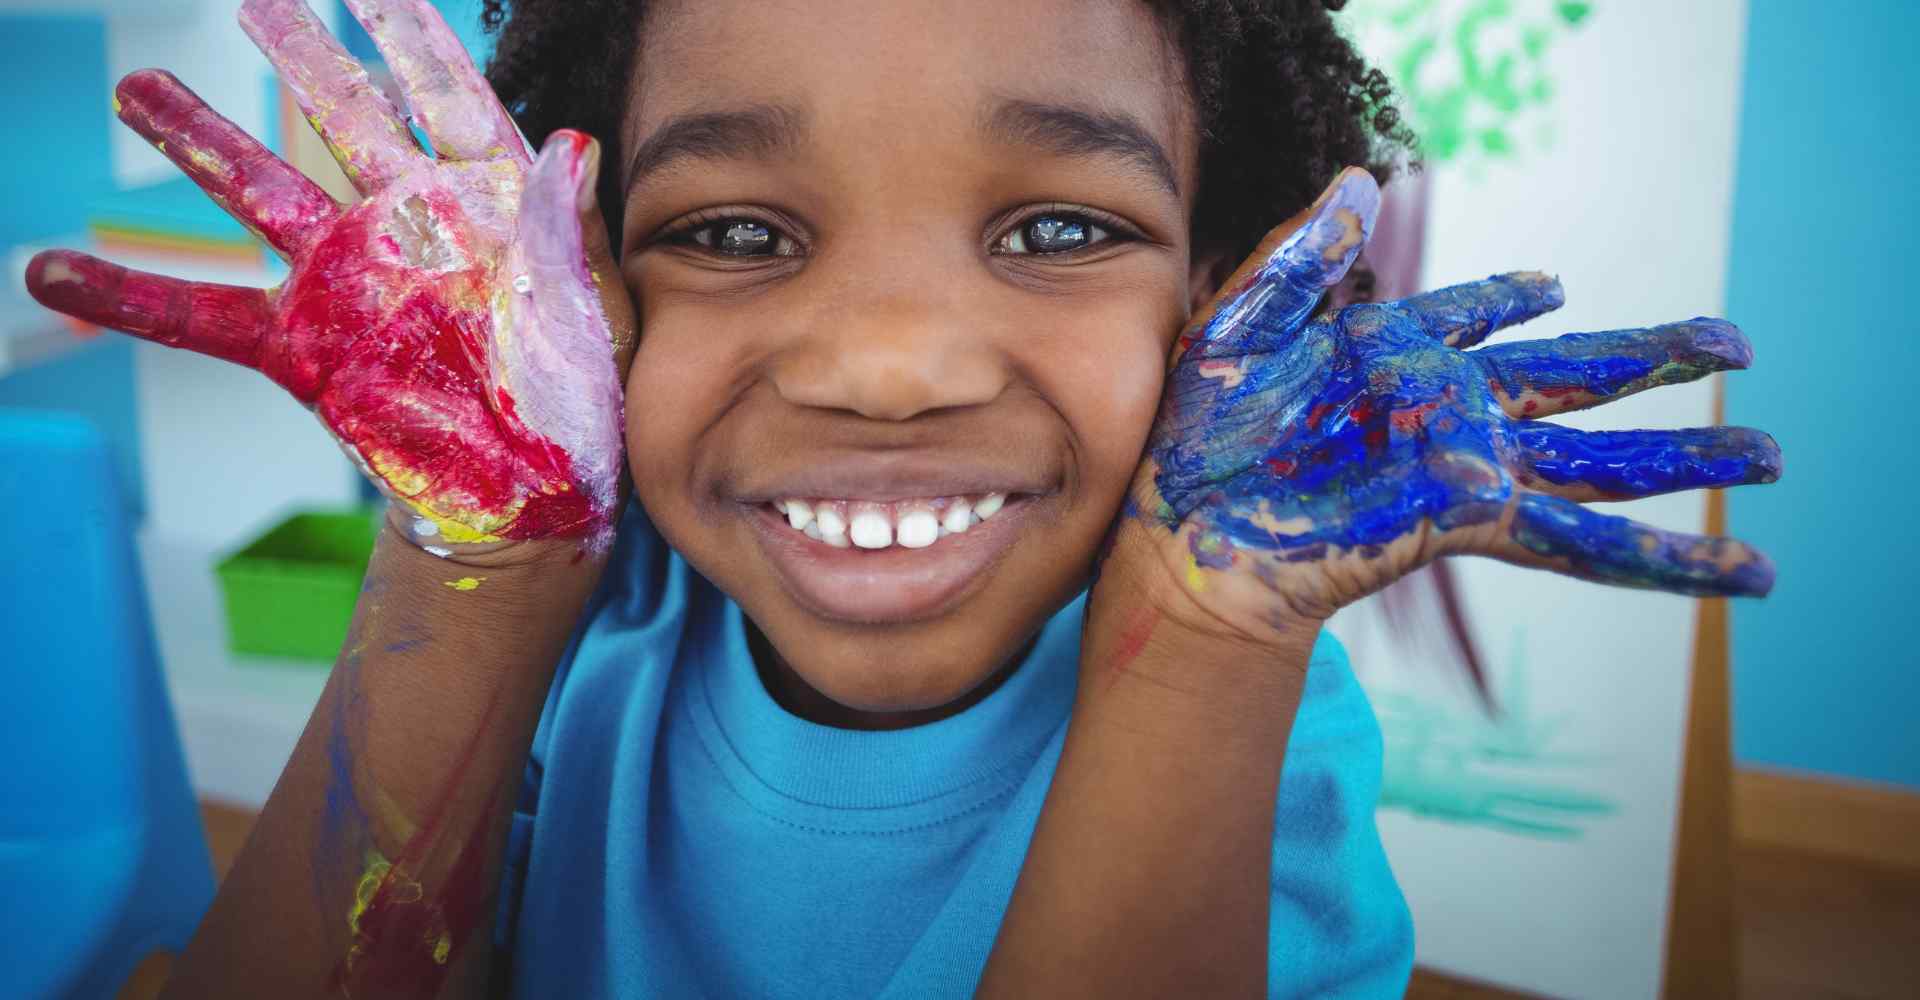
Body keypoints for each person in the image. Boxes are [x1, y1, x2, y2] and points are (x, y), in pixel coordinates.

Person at [23, 0, 1781, 995]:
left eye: (1059, 230)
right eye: (731, 233)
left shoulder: (1250, 708)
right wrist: (469, 567)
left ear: (1226, 289)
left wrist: (1205, 633)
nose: (886, 366)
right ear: (598, 289)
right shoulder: (595, 623)